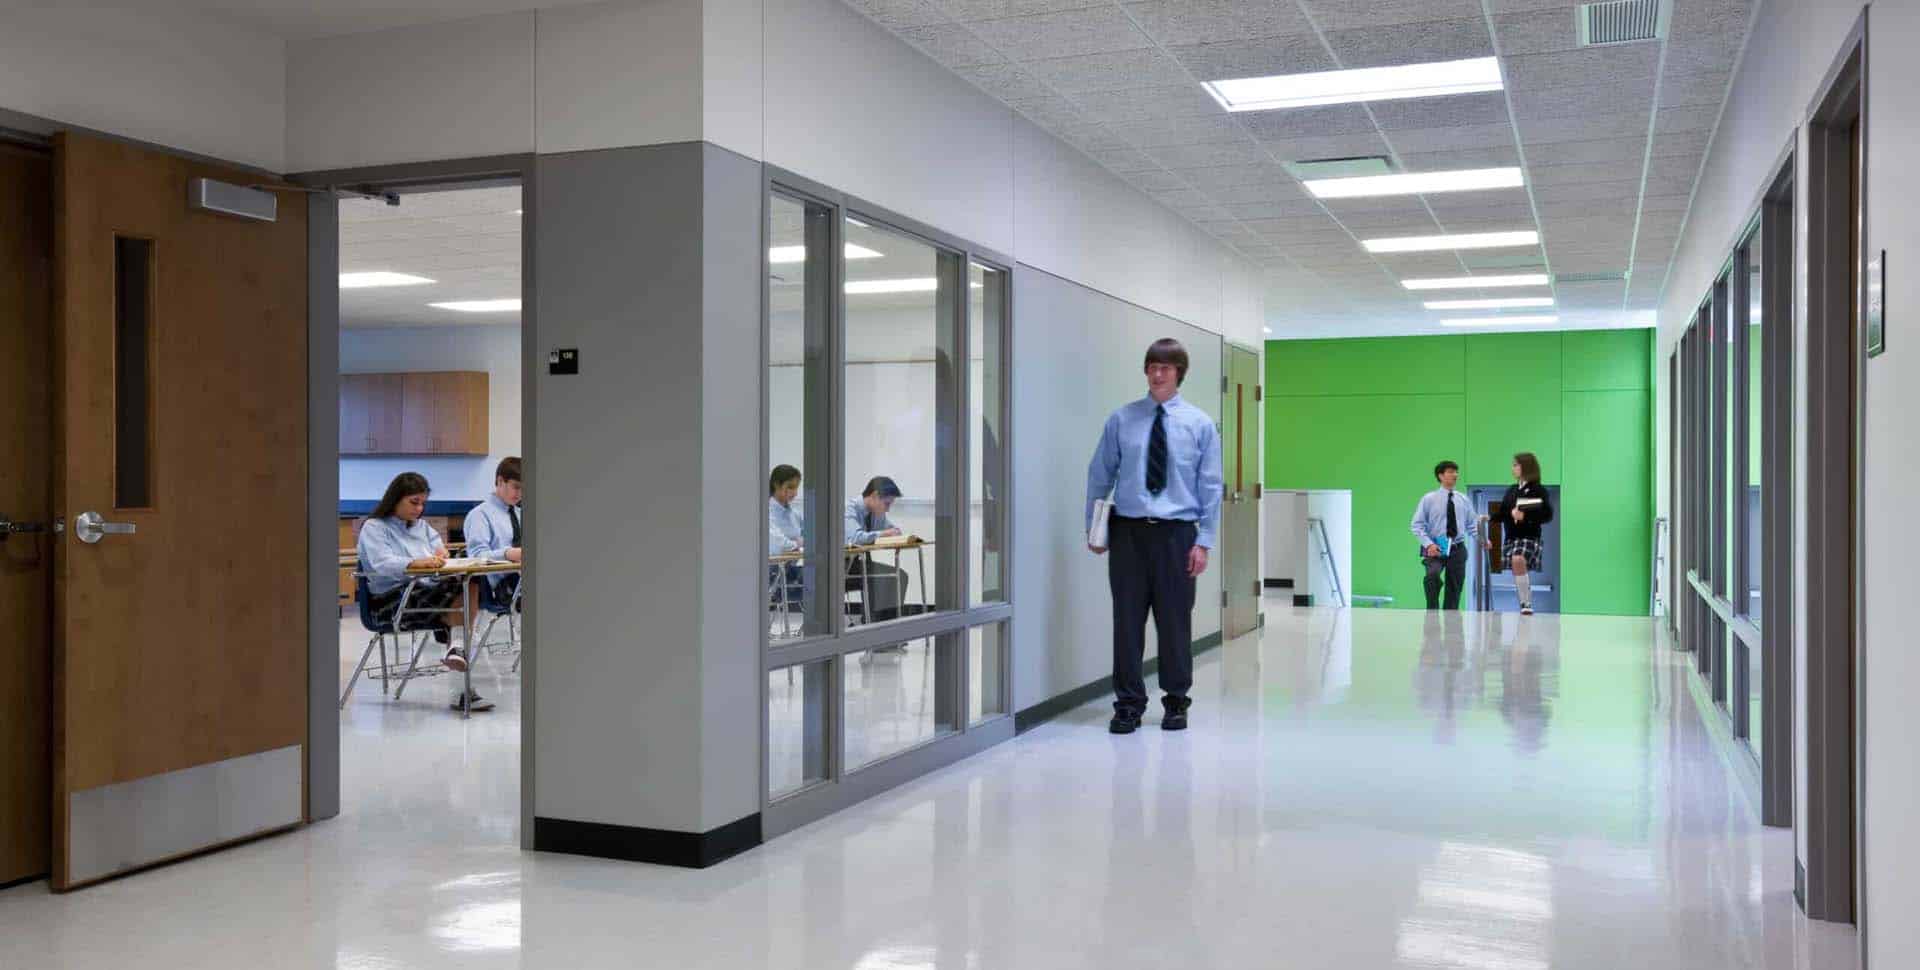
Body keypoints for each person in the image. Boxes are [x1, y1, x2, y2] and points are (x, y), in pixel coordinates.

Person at [1085, 337, 1223, 735]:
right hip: (1128, 534)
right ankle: (1128, 704)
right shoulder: (1121, 420)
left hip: (1177, 535)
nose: (1157, 374)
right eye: (1151, 366)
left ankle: (1176, 702)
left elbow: (1211, 486)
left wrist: (1204, 541)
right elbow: (1099, 475)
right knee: (1127, 623)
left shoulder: (1199, 424)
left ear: (1179, 373)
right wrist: (1094, 527)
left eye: (1165, 367)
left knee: (1175, 623)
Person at [357, 472, 493, 712]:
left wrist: (442, 558)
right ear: (395, 498)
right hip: (390, 601)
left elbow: (439, 554)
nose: (419, 509)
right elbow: (381, 563)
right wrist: (416, 563)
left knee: (470, 579)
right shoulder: (374, 527)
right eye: (414, 502)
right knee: (459, 599)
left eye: (422, 503)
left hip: (423, 592)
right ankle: (460, 676)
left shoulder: (422, 528)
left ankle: (458, 656)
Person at [1410, 460, 1481, 611]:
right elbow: (1417, 525)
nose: (1455, 475)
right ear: (1440, 476)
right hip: (1436, 547)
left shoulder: (1463, 499)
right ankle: (1432, 612)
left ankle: (1451, 621)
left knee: (1454, 589)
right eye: (1450, 472)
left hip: (1457, 547)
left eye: (1456, 472)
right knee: (1432, 576)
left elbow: (1472, 524)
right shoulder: (1429, 499)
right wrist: (1429, 544)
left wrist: (1482, 539)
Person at [844, 475, 911, 625]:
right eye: (886, 504)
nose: (888, 509)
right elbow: (855, 538)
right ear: (874, 496)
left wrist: (896, 533)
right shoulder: (849, 509)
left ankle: (887, 626)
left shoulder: (875, 513)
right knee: (878, 576)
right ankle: (872, 624)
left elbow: (890, 529)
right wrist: (883, 534)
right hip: (839, 567)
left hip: (857, 564)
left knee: (900, 576)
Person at [1500, 451, 1555, 616]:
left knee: (1518, 558)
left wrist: (1525, 516)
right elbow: (1503, 512)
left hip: (1530, 537)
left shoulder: (1539, 490)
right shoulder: (1511, 490)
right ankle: (1524, 599)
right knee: (1516, 563)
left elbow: (1547, 514)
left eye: (1516, 465)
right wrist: (1493, 517)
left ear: (1526, 467)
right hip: (1511, 537)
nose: (1513, 468)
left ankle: (1526, 601)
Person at [767, 464, 805, 614]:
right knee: (816, 581)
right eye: (790, 487)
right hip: (771, 575)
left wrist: (799, 543)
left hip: (788, 570)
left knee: (824, 576)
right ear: (777, 485)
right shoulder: (766, 511)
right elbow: (778, 545)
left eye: (796, 488)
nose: (794, 493)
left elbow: (812, 535)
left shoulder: (794, 514)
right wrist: (797, 543)